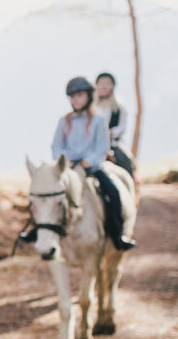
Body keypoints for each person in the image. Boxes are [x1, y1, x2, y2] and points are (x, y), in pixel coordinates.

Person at [51, 77, 136, 251]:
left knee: (113, 193)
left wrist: (90, 160)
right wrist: (64, 159)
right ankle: (40, 231)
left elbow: (102, 147)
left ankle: (117, 234)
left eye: (80, 95)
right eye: (72, 96)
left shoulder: (98, 121)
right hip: (69, 168)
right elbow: (56, 145)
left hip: (92, 168)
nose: (76, 100)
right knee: (46, 192)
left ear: (89, 96)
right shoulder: (64, 121)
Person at [94, 71, 135, 176]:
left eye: (107, 83)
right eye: (101, 83)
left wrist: (110, 132)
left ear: (112, 86)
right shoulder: (92, 107)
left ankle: (130, 183)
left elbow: (122, 127)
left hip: (113, 144)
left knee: (124, 159)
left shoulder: (119, 107)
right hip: (93, 144)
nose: (104, 86)